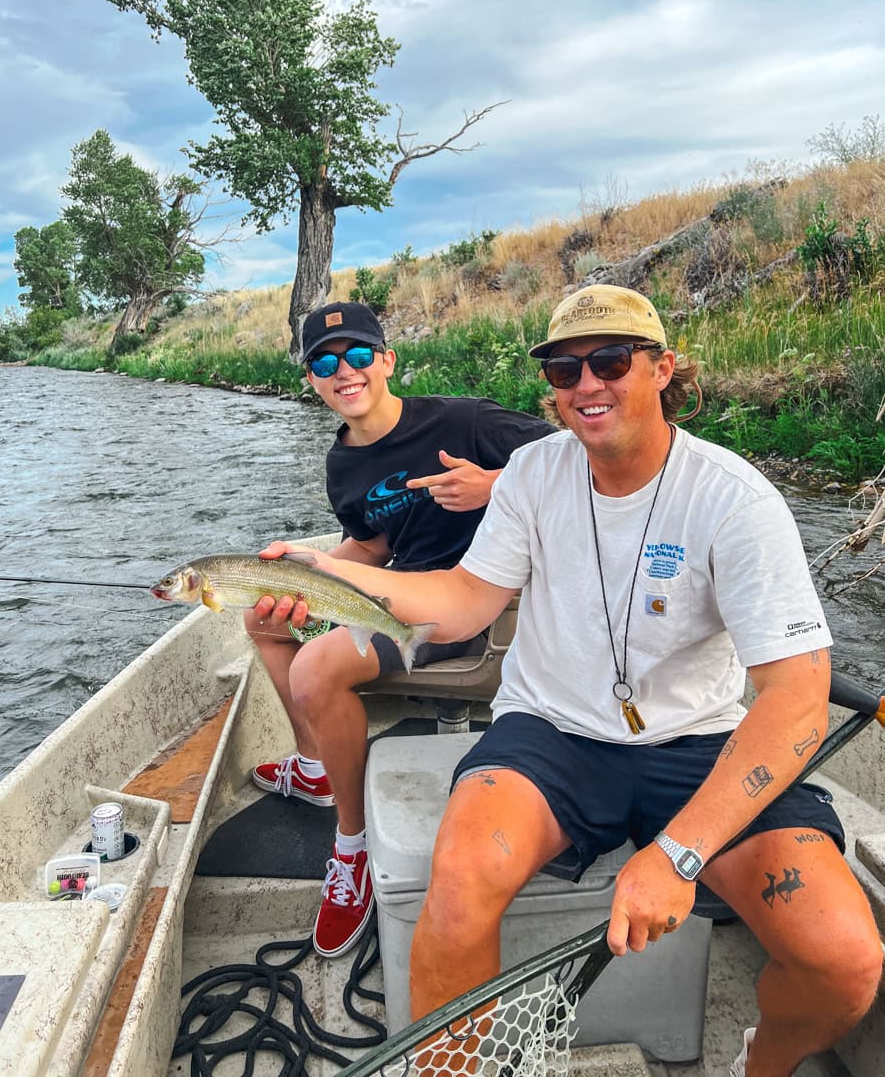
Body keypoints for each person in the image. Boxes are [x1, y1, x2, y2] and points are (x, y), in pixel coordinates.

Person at [260, 285, 883, 1076]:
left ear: (661, 369)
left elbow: (796, 699)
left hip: (699, 741)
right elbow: (459, 601)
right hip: (549, 732)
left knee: (845, 959)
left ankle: (760, 1063)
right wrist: (327, 578)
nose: (586, 384)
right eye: (563, 368)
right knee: (455, 894)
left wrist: (679, 856)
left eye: (611, 360)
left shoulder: (734, 500)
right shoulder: (531, 473)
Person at [246, 301, 556, 960]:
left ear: (386, 360)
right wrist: (310, 572)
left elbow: (579, 458)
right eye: (325, 362)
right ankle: (313, 768)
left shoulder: (464, 420)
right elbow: (371, 546)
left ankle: (351, 849)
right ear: (312, 380)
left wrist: (493, 485)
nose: (344, 371)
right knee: (264, 620)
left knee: (316, 667)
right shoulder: (343, 464)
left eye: (359, 354)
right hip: (402, 591)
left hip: (481, 611)